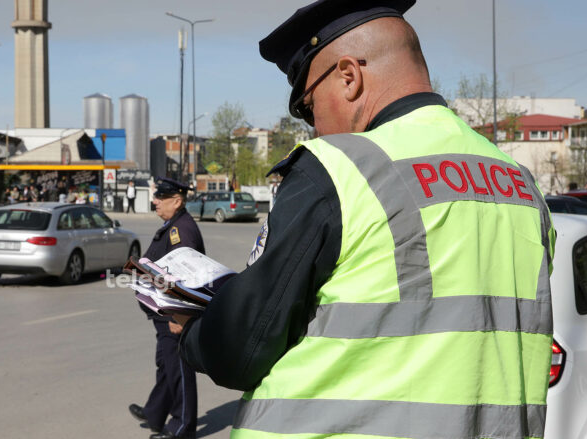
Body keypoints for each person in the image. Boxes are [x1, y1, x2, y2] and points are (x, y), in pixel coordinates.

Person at [175, 1, 555, 438]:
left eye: (307, 106)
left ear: (349, 76)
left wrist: (191, 331)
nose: (313, 127)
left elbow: (239, 351)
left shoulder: (341, 168)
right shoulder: (523, 185)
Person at [128, 177, 205, 439]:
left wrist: (179, 314)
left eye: (161, 197)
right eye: (156, 196)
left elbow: (186, 276)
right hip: (163, 312)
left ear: (178, 200)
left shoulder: (180, 230)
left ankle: (183, 428)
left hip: (174, 314)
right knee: (167, 365)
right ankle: (155, 412)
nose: (155, 201)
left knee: (179, 369)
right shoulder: (172, 225)